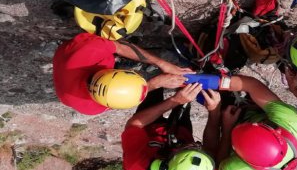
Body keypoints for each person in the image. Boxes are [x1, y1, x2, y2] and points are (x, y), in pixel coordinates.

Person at [203, 74, 297, 170]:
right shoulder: (290, 125)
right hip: (255, 110)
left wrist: (225, 125)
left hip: (233, 124)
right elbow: (252, 85)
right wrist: (215, 81)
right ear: (276, 131)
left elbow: (218, 165)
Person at [53, 32, 193, 115]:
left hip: (80, 52)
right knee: (156, 67)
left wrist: (163, 64)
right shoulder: (92, 105)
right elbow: (129, 96)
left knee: (164, 57)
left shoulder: (89, 51)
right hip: (73, 68)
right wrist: (155, 83)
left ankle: (173, 54)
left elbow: (119, 46)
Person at [121, 83, 222, 170]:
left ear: (161, 164)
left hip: (147, 127)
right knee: (186, 92)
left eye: (188, 147)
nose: (196, 144)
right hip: (181, 132)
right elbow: (211, 147)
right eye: (199, 149)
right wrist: (214, 111)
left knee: (153, 87)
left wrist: (174, 100)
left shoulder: (137, 166)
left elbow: (134, 125)